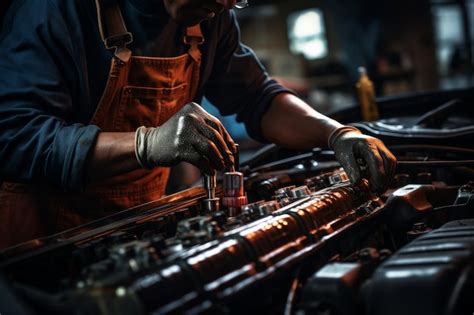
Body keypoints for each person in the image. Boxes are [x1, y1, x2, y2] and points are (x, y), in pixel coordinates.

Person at [0, 0, 396, 248]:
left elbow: (257, 98)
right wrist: (147, 144)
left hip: (132, 227)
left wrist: (335, 132)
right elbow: (14, 138)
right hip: (43, 242)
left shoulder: (209, 18)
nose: (223, 4)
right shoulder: (55, 10)